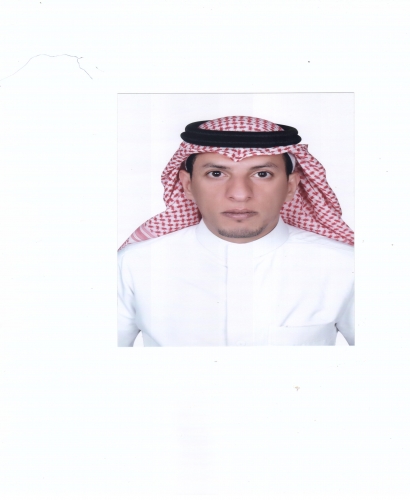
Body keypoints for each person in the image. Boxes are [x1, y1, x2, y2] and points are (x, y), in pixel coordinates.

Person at [118, 116, 354, 346]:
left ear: (290, 186)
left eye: (262, 174)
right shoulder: (135, 265)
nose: (240, 194)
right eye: (216, 174)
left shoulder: (344, 266)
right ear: (188, 185)